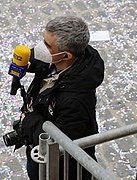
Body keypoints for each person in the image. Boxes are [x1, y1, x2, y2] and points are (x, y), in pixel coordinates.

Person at [20, 16, 104, 180]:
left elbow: (56, 141)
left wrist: (27, 120)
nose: (39, 48)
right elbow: (41, 58)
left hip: (59, 169)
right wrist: (29, 62)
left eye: (47, 45)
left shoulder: (74, 102)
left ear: (65, 56)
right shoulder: (68, 56)